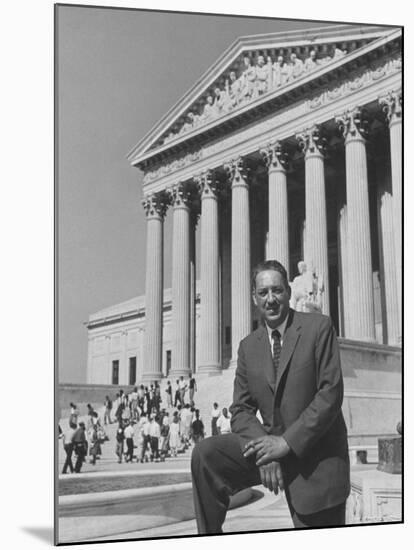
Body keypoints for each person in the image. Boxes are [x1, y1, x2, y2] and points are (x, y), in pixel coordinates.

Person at [191, 259, 350, 533]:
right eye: (263, 293)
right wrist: (266, 452)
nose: (271, 299)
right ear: (254, 298)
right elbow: (241, 409)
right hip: (271, 448)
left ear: (288, 292)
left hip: (314, 453)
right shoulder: (248, 346)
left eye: (276, 290)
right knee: (206, 455)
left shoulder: (318, 328)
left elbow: (330, 395)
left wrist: (286, 443)